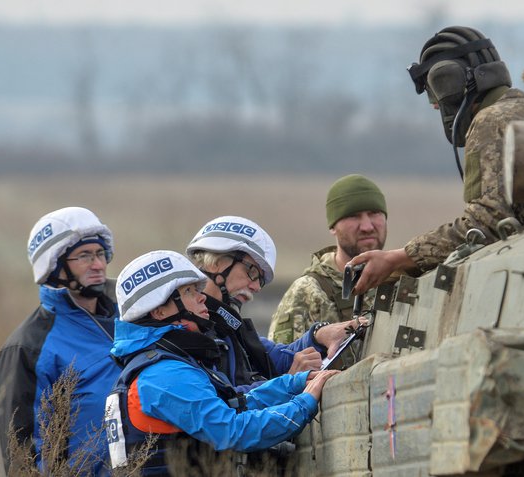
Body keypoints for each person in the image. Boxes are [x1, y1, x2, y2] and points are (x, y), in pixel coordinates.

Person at [350, 26, 524, 294]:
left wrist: (399, 257)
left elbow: (486, 221)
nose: (434, 104)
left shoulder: (490, 121)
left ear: (450, 84)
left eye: (434, 91)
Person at [106, 250, 339, 475]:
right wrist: (305, 403)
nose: (201, 297)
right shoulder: (163, 374)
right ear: (158, 311)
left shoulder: (164, 363)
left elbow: (234, 402)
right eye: (188, 292)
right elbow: (233, 431)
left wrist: (295, 383)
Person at [0, 206, 121, 475]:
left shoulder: (131, 319)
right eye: (84, 256)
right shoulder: (28, 346)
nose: (98, 264)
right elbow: (21, 454)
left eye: (100, 253)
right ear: (54, 266)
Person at [185, 215, 360, 389]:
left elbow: (277, 356)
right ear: (217, 262)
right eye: (252, 272)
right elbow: (222, 403)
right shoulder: (185, 331)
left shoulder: (230, 329)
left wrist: (318, 335)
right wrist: (288, 384)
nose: (256, 287)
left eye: (260, 280)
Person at [268, 174, 388, 345]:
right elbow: (282, 364)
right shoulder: (309, 292)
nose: (367, 226)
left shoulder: (402, 282)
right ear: (333, 226)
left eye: (374, 213)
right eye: (354, 216)